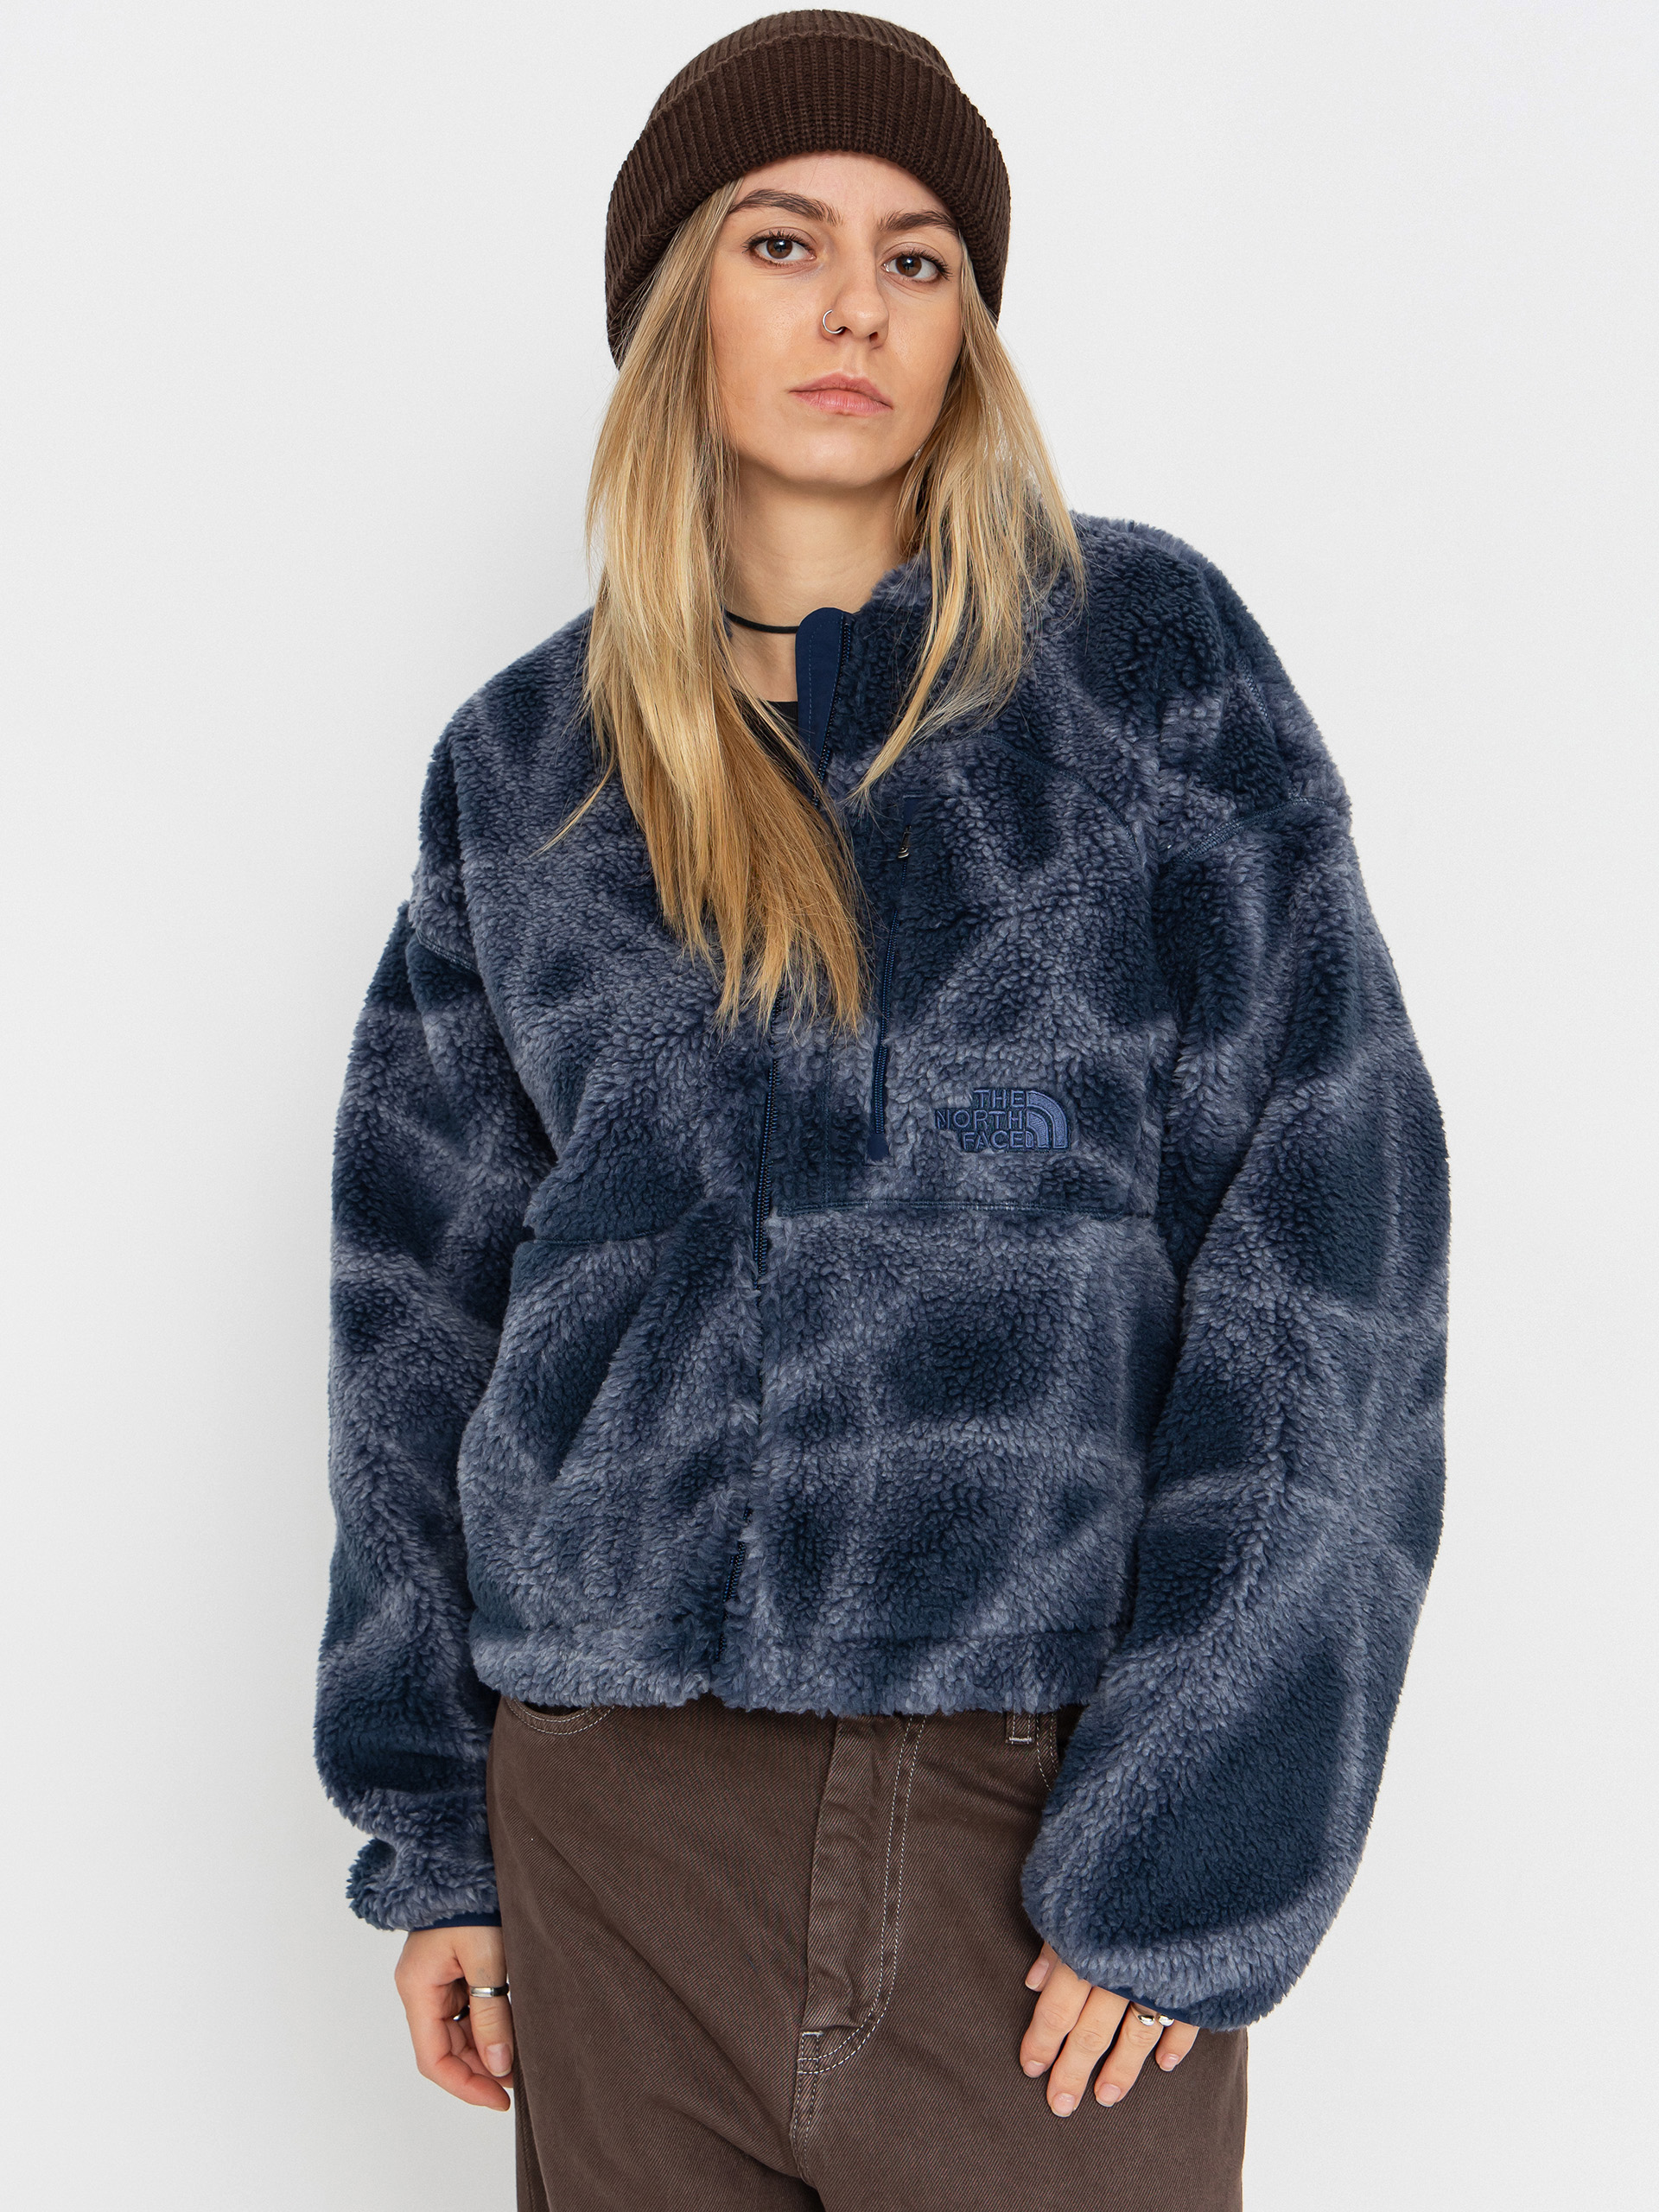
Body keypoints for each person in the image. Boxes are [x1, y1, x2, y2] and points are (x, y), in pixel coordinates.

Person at [314, 14, 1449, 2209]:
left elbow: (1336, 1258)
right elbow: (413, 1317)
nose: (856, 305)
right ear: (677, 300)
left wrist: (1193, 1842)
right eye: (784, 241)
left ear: (969, 329)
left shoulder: (1147, 679)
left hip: (1028, 1831)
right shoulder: (526, 772)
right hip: (614, 1828)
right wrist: (440, 1827)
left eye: (919, 258)